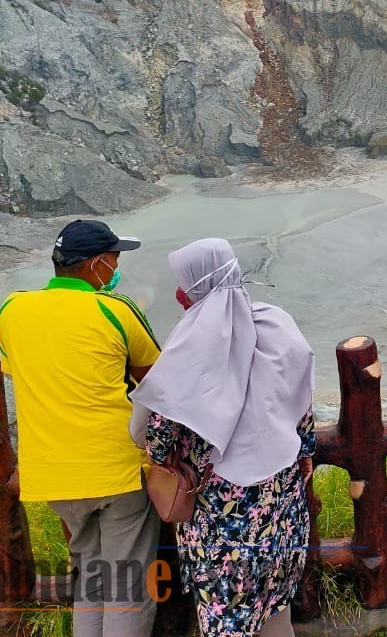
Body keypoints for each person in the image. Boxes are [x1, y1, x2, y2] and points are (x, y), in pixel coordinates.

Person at [128, 238, 316, 637]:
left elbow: (159, 434)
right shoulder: (277, 322)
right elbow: (302, 398)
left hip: (222, 512)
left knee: (226, 616)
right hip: (282, 497)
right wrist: (306, 450)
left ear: (192, 289)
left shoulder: (191, 347)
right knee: (274, 603)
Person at [0, 219, 162, 637]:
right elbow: (157, 380)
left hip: (53, 475)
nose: (118, 266)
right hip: (114, 470)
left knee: (90, 578)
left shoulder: (11, 311)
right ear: (98, 265)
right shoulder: (114, 309)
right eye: (116, 258)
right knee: (127, 586)